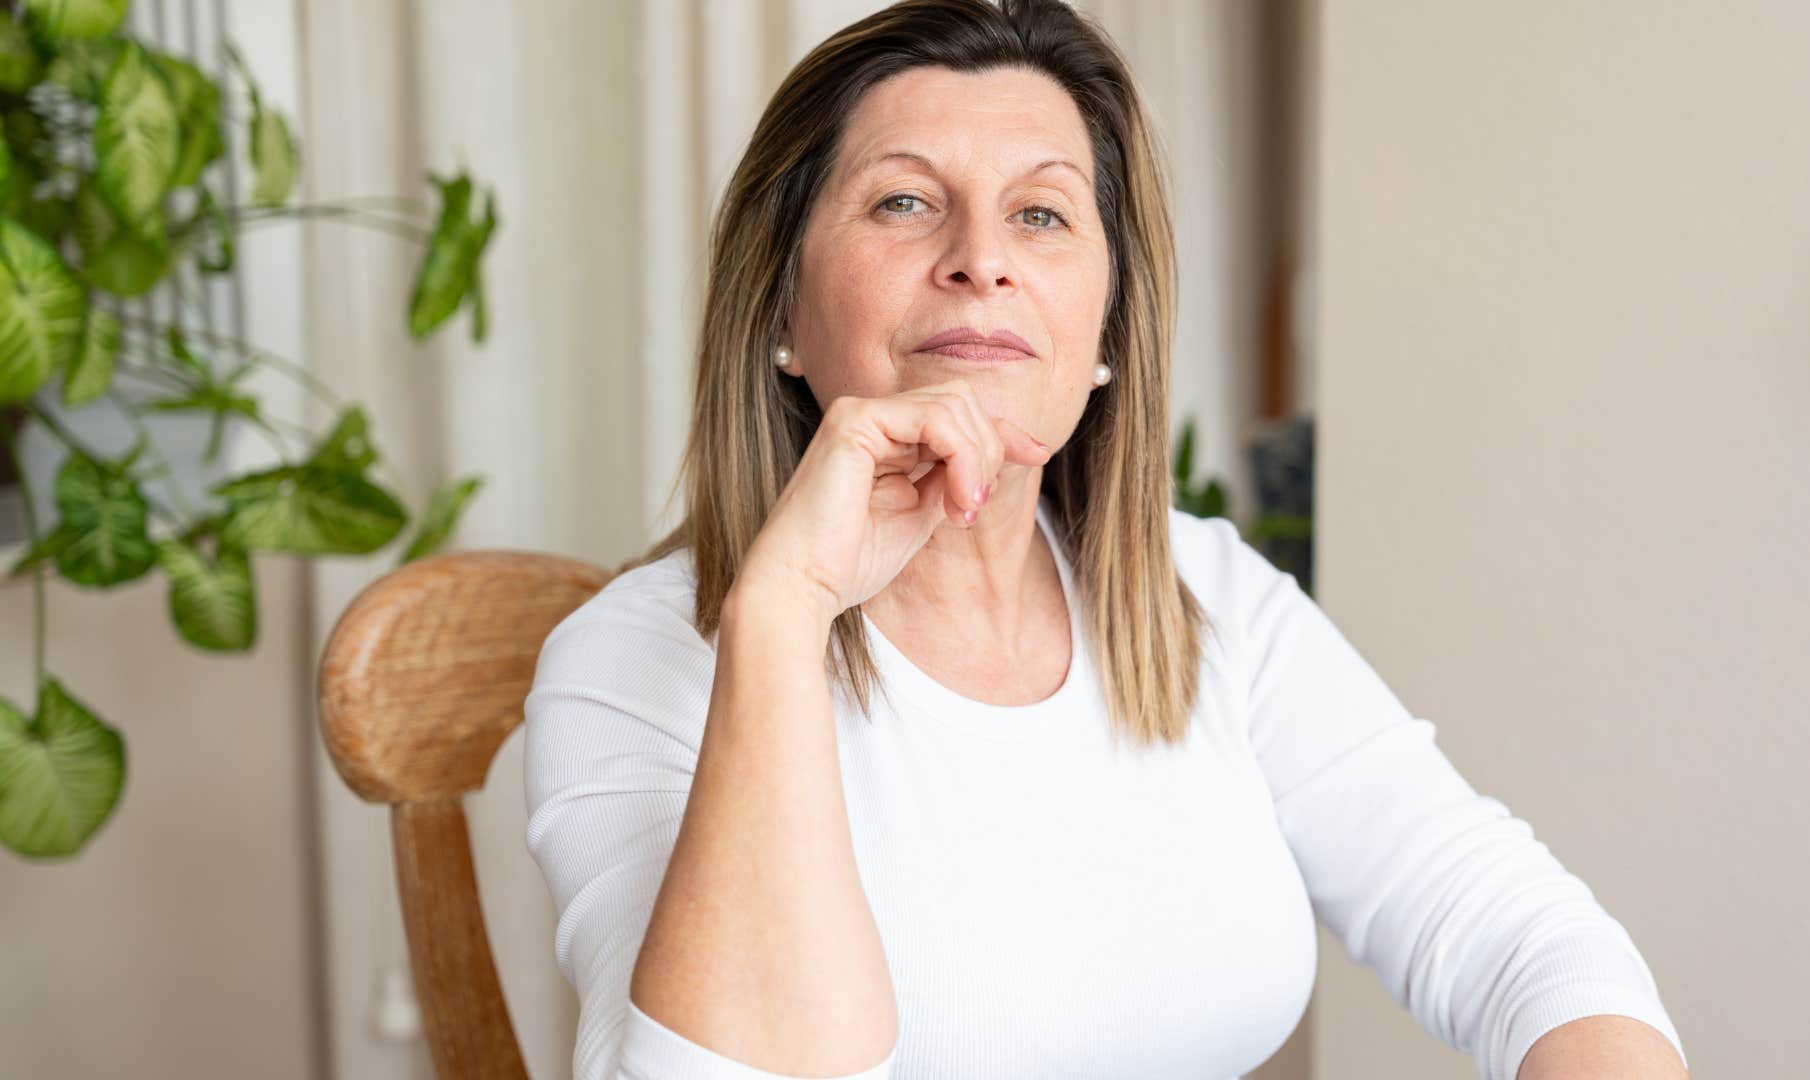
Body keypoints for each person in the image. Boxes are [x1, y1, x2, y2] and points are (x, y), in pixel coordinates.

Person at [522, 1, 1690, 1078]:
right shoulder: (634, 663)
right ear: (782, 307)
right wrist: (783, 617)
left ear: (1106, 332)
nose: (983, 257)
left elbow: (1515, 936)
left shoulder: (1210, 595)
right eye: (904, 202)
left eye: (1040, 213)